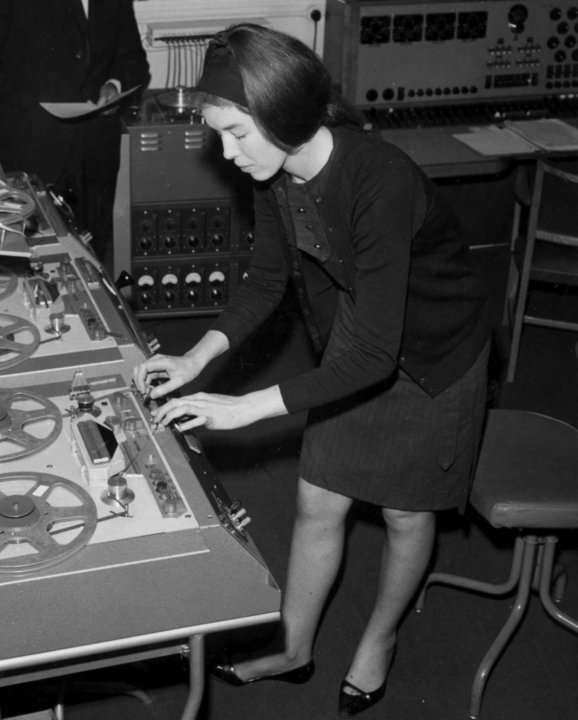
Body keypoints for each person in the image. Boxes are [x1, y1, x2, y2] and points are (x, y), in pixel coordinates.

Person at [133, 23, 493, 717]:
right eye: (218, 134)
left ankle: (378, 641)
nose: (227, 153)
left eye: (236, 132)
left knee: (403, 512)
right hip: (362, 337)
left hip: (434, 350)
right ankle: (295, 647)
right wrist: (197, 356)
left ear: (285, 115)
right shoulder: (278, 172)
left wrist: (241, 408)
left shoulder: (375, 178)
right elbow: (268, 279)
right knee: (316, 500)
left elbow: (374, 356)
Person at [0, 0, 150, 259]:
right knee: (25, 262)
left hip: (95, 157)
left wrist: (115, 86)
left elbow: (133, 59)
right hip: (28, 154)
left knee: (91, 262)